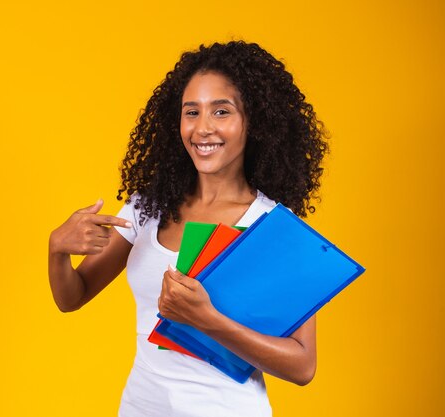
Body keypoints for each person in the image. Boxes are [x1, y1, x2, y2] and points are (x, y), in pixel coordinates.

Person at [48, 40, 328, 417]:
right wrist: (57, 249)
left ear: (254, 122)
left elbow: (302, 366)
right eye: (191, 111)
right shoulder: (148, 206)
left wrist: (206, 319)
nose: (202, 128)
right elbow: (73, 297)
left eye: (222, 111)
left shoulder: (271, 227)